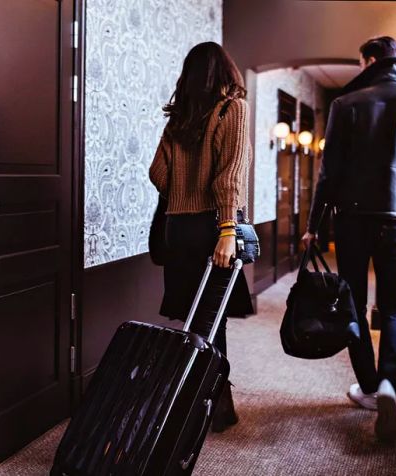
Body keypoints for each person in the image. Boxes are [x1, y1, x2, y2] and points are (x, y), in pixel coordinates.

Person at [302, 36, 396, 441]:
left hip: (352, 221)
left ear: (368, 61)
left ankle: (368, 386)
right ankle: (390, 385)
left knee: (351, 301)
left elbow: (328, 172)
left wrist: (313, 224)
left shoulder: (346, 104)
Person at [149, 41, 254, 433]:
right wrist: (227, 229)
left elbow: (157, 173)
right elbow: (230, 178)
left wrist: (183, 188)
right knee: (213, 322)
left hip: (178, 228)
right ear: (227, 73)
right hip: (213, 227)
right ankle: (212, 405)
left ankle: (202, 401)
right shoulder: (234, 110)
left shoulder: (179, 119)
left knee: (195, 322)